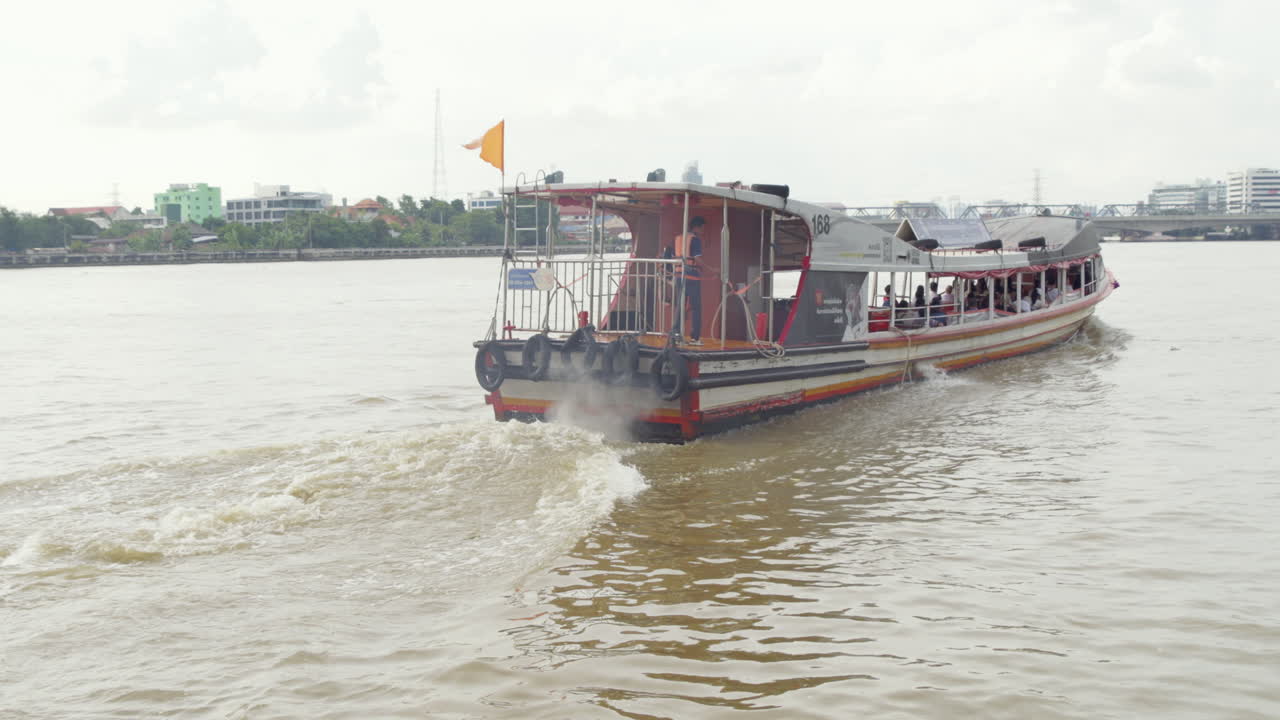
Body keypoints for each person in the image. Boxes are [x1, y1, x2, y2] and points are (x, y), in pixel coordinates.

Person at [675, 216, 705, 344]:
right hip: (691, 276)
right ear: (697, 227)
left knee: (680, 306)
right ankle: (695, 338)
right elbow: (698, 260)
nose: (703, 231)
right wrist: (710, 269)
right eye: (703, 228)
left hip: (678, 276)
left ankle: (676, 335)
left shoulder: (678, 238)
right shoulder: (695, 240)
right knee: (696, 307)